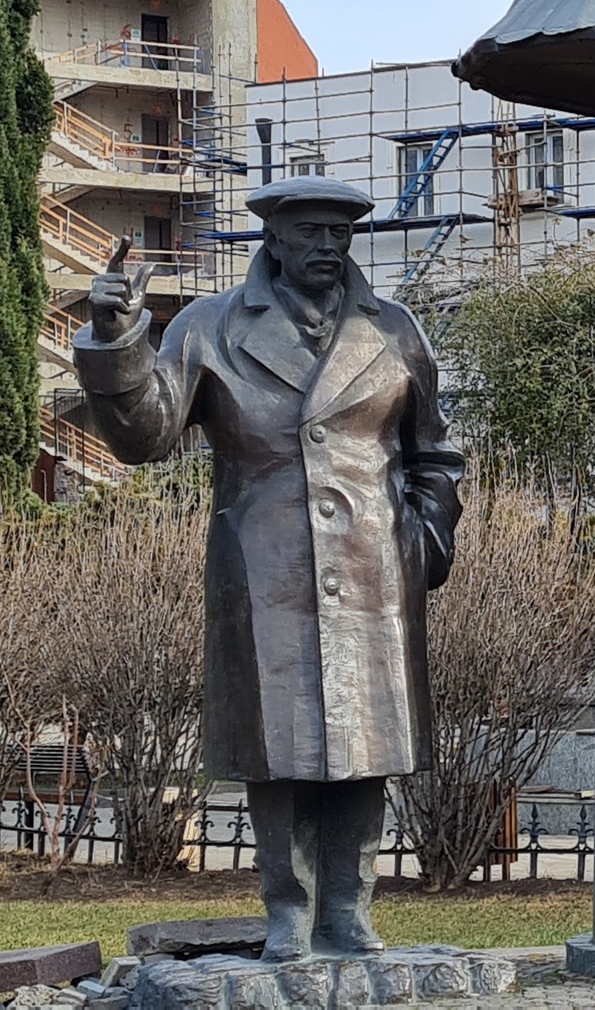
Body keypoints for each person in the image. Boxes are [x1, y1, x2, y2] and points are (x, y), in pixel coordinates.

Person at [72, 176, 464, 961]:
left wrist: (423, 539)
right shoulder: (210, 326)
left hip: (374, 569)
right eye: (310, 233)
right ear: (274, 238)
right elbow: (146, 436)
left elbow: (436, 452)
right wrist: (118, 339)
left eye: (339, 234)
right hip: (265, 567)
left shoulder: (393, 329)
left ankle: (348, 909)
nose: (326, 247)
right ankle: (288, 909)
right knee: (278, 746)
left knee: (365, 746)